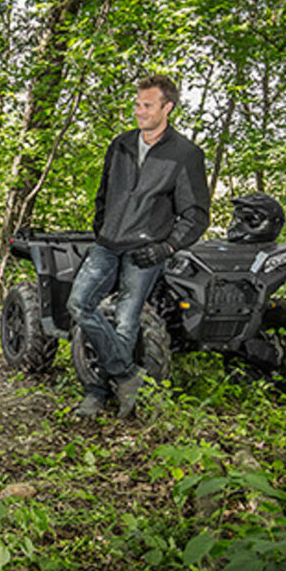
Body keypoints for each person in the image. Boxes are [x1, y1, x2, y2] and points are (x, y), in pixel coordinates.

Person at [67, 74, 210, 419]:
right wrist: (101, 225)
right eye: (137, 104)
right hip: (107, 244)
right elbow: (104, 193)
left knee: (127, 323)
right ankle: (129, 377)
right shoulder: (121, 144)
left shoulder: (185, 155)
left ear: (168, 107)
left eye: (147, 105)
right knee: (78, 304)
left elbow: (196, 214)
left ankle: (98, 392)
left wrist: (167, 248)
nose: (139, 111)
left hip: (146, 250)